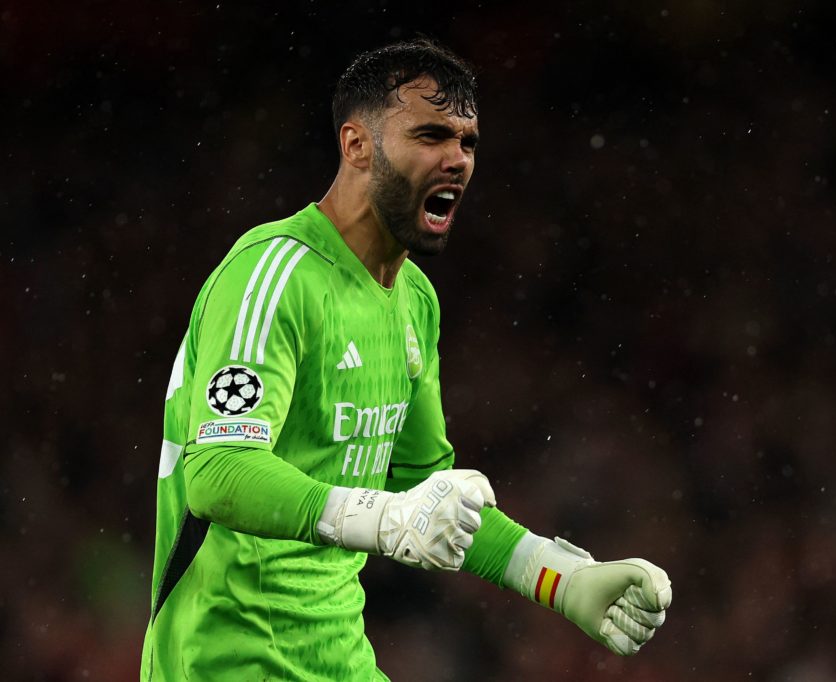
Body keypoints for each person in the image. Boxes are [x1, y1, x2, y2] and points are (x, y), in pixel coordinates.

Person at [141, 38, 672, 680]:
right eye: (430, 135)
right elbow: (218, 472)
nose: (456, 159)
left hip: (339, 660)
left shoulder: (414, 300)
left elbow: (422, 491)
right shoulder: (276, 274)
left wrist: (559, 576)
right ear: (356, 145)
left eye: (468, 142)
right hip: (225, 662)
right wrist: (384, 517)